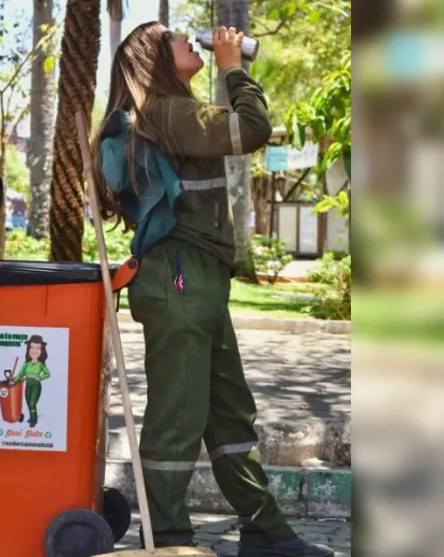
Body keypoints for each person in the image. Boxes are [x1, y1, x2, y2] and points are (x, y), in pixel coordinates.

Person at [90, 22, 335, 557]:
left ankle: (265, 530)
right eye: (177, 38)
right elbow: (253, 128)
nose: (191, 41)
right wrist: (231, 66)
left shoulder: (173, 113)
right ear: (155, 59)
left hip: (198, 276)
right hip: (179, 276)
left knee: (228, 411)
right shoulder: (165, 112)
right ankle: (169, 540)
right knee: (177, 417)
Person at [11, 335, 51, 427]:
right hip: (28, 386)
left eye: (38, 348)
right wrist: (14, 381)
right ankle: (32, 417)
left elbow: (47, 374)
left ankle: (34, 420)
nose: (34, 351)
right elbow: (20, 374)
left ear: (42, 351)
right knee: (29, 403)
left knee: (32, 404)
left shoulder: (41, 365)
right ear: (28, 349)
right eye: (32, 347)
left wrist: (40, 378)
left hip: (36, 386)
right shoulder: (26, 364)